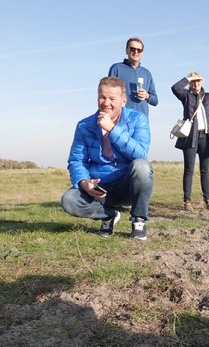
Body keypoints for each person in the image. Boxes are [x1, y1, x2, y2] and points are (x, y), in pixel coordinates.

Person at [60, 76, 153, 240]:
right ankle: (108, 215)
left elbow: (140, 154)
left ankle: (138, 220)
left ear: (123, 101)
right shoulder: (84, 125)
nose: (106, 103)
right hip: (99, 187)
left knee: (142, 167)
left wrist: (112, 129)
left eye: (112, 98)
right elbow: (76, 161)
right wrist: (84, 183)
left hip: (127, 186)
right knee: (69, 200)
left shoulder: (138, 119)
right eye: (102, 97)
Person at [171, 71, 209, 211]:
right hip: (191, 137)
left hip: (207, 137)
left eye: (198, 81)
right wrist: (187, 78)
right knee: (189, 170)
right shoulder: (186, 95)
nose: (196, 83)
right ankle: (187, 202)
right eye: (193, 81)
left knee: (205, 170)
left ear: (202, 81)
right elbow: (175, 88)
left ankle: (208, 200)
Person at [108, 37, 158, 117]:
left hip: (142, 121)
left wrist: (147, 96)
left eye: (139, 50)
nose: (136, 52)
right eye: (132, 49)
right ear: (126, 50)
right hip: (122, 119)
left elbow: (155, 101)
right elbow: (108, 94)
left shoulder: (147, 73)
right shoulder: (116, 68)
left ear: (142, 53)